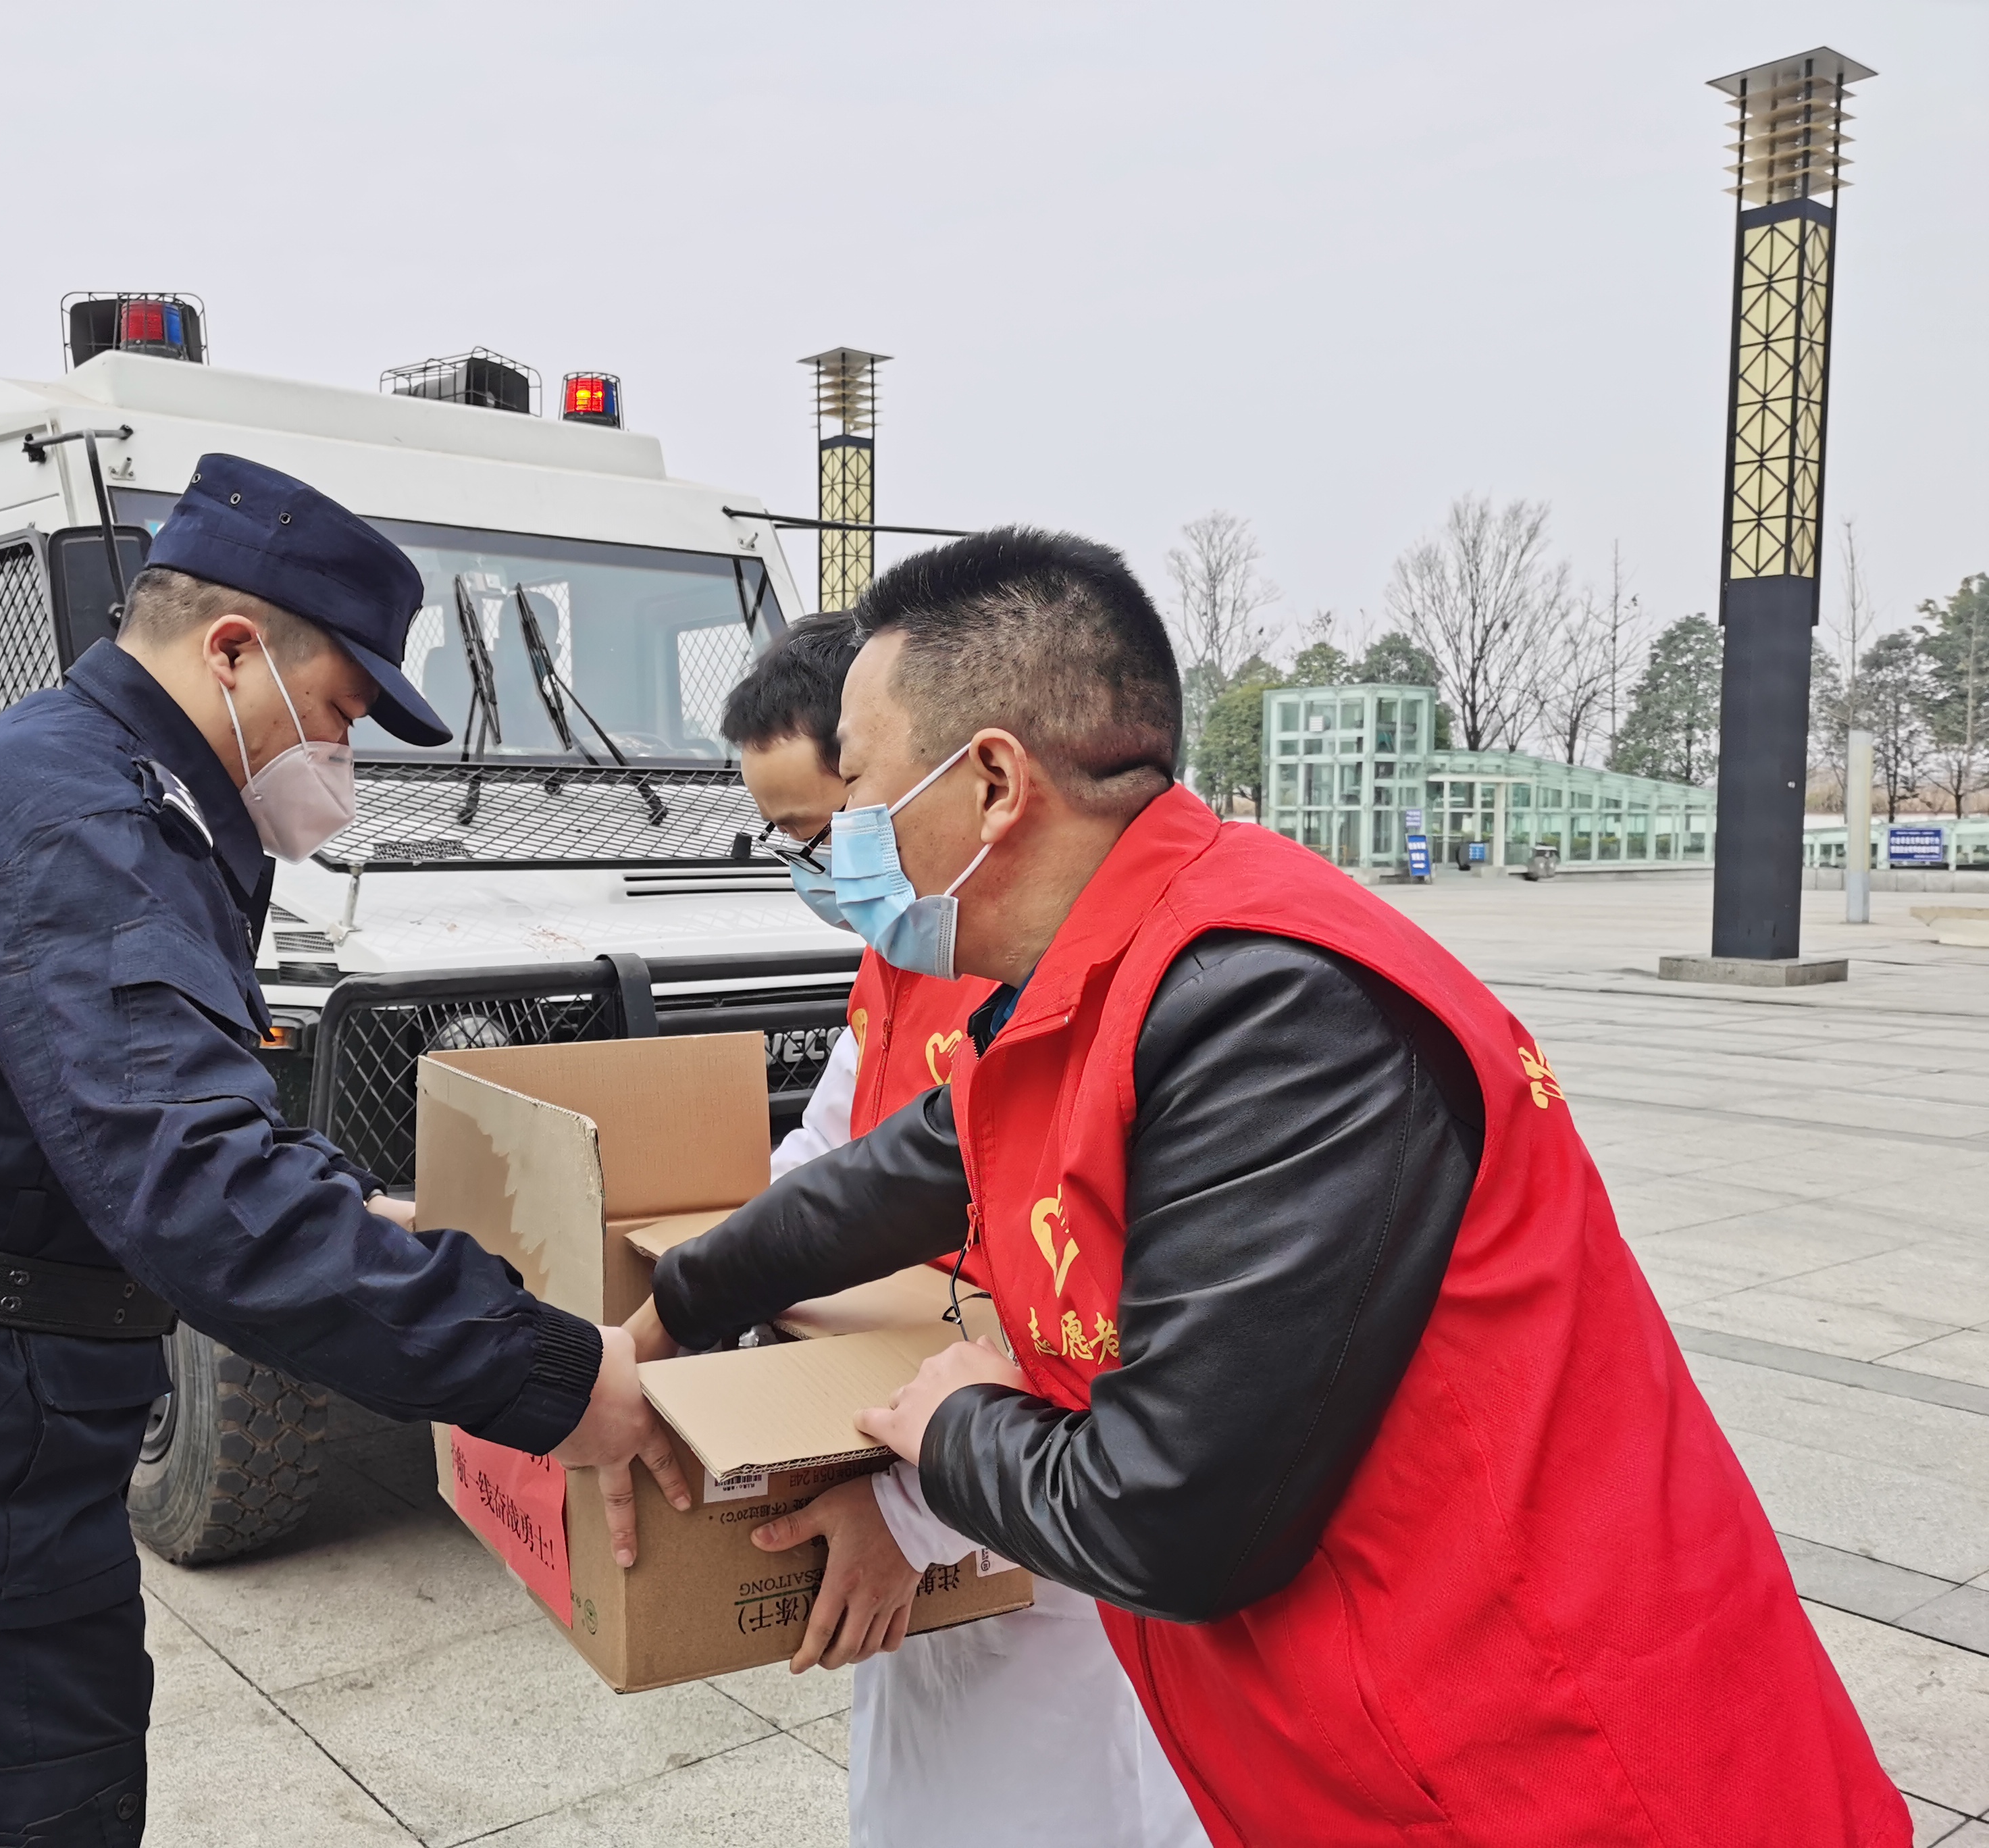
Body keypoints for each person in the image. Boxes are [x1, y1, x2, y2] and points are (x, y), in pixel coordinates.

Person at [634, 529, 1905, 1846]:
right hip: (1372, 1756)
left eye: (868, 793)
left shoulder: (1272, 1004)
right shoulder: (1103, 986)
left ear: (994, 781)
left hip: (1548, 1769)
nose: (850, 841)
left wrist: (949, 1430)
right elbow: (892, 1176)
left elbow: (1168, 1515)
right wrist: (673, 1310)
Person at [0, 456, 690, 1847]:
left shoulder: (77, 780)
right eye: (339, 715)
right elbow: (201, 1187)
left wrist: (359, 1218)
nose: (345, 762)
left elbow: (121, 1129)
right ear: (237, 653)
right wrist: (556, 1377)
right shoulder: (90, 821)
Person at [718, 617, 1202, 1848]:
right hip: (914, 1466)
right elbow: (829, 1162)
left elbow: (1117, 1349)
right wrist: (707, 1293)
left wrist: (913, 1513)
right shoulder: (902, 957)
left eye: (829, 832)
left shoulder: (1076, 985)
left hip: (1040, 1547)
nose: (821, 872)